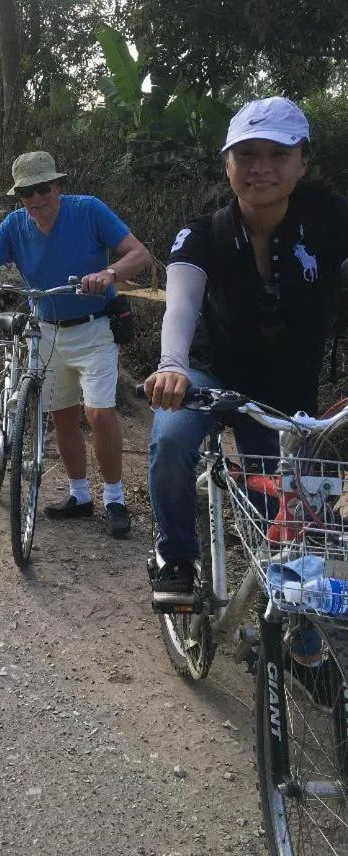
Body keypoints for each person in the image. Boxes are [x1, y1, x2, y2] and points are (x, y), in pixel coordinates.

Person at [144, 97, 348, 607]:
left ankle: (289, 618)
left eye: (278, 154)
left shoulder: (333, 219)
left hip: (285, 389)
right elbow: (181, 307)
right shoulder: (203, 231)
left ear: (303, 160)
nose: (261, 168)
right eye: (246, 154)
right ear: (227, 164)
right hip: (209, 376)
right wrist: (172, 367)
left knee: (284, 523)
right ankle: (176, 557)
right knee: (170, 442)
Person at [0, 151, 153, 538]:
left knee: (99, 413)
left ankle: (115, 499)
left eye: (43, 189)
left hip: (94, 327)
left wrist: (109, 273)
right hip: (46, 331)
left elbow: (139, 254)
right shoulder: (15, 225)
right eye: (26, 194)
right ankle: (80, 496)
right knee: (62, 414)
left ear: (57, 185)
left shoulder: (89, 210)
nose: (36, 200)